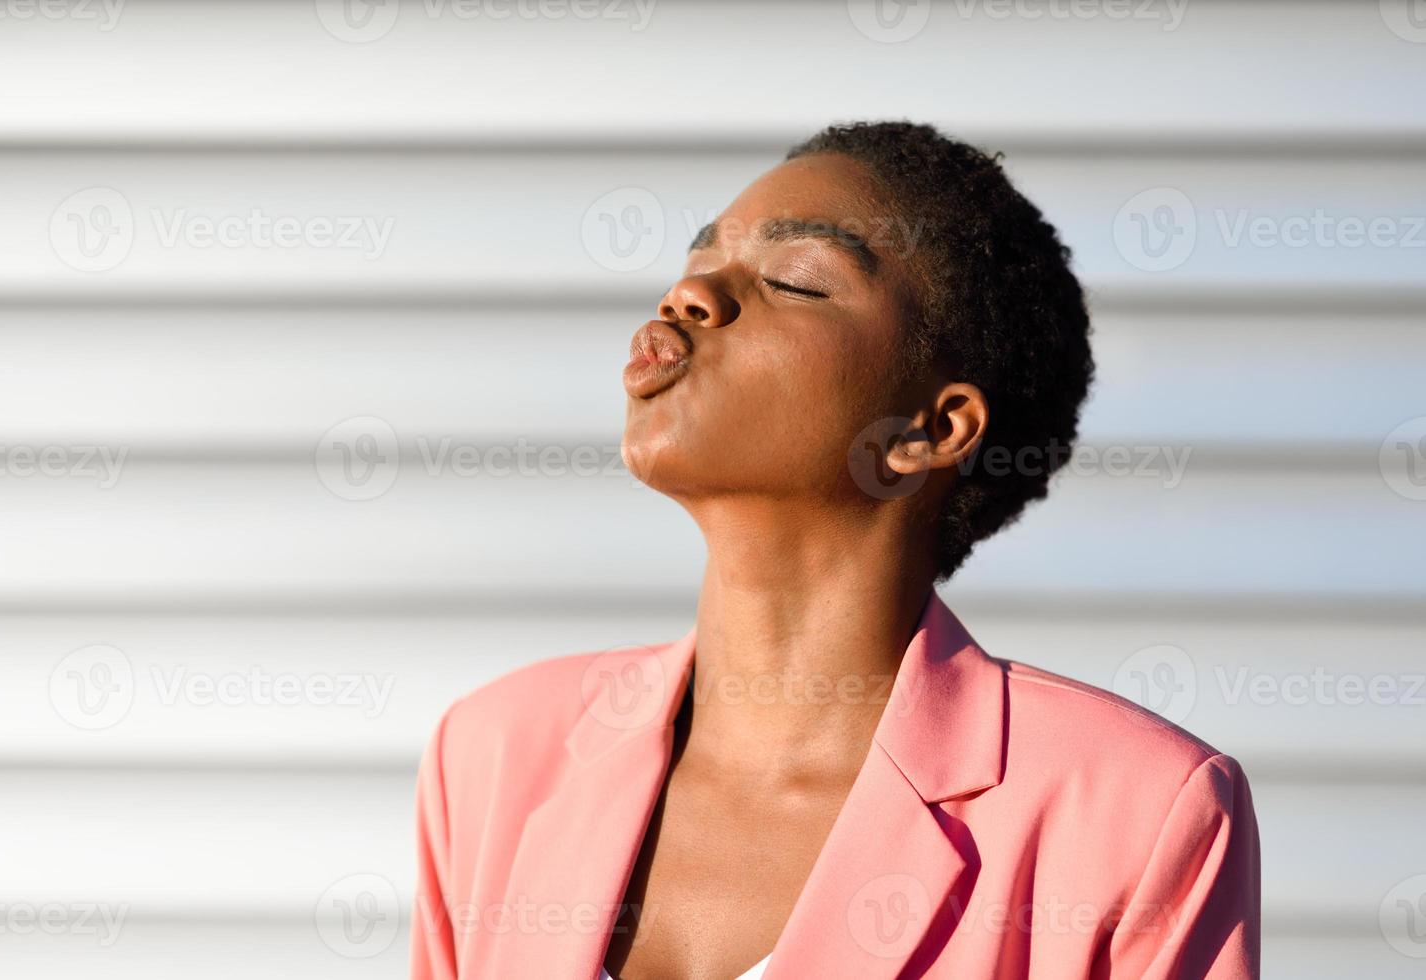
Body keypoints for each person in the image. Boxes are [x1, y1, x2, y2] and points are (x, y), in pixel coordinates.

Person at [409, 121, 1260, 980]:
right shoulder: (492, 752)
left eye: (793, 280)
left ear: (928, 430)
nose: (692, 293)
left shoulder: (1136, 811)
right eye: (696, 261)